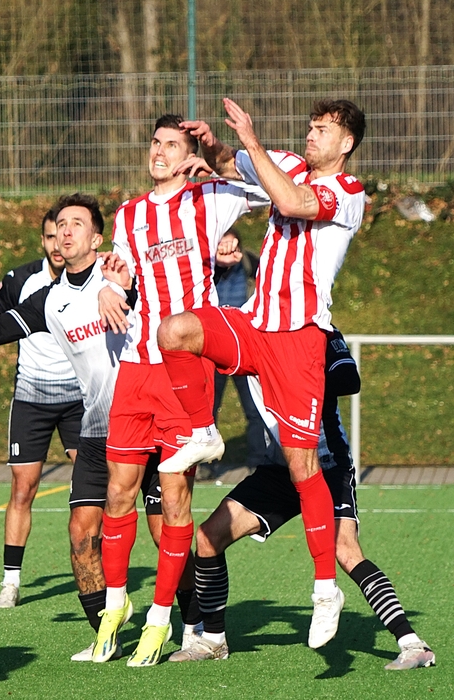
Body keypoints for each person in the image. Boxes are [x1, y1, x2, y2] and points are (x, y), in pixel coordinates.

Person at [156, 98, 367, 649]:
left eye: (323, 130)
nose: (311, 135)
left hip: (299, 340)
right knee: (175, 331)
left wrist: (251, 140)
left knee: (301, 464)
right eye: (310, 127)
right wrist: (214, 147)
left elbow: (294, 202)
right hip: (255, 323)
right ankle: (204, 431)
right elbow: (232, 165)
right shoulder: (288, 164)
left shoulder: (348, 192)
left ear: (346, 143)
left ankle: (325, 590)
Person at [95, 114, 268, 666]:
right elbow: (120, 274)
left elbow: (272, 191)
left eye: (171, 144)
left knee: (174, 499)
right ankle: (115, 609)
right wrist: (107, 288)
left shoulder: (209, 198)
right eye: (156, 142)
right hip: (134, 367)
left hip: (181, 371)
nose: (160, 151)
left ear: (186, 153)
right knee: (118, 493)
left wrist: (217, 158)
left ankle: (160, 618)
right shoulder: (129, 214)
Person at [0, 193, 169, 662]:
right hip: (97, 429)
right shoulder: (50, 298)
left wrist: (122, 289)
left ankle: (200, 627)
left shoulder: (121, 274)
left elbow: (158, 302)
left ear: (97, 239)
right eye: (60, 223)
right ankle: (105, 633)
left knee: (164, 531)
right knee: (81, 534)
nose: (65, 230)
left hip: (147, 421)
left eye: (77, 223)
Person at [173, 329, 436, 670]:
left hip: (326, 465)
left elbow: (349, 379)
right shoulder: (245, 330)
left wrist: (291, 370)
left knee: (346, 550)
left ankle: (412, 644)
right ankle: (213, 640)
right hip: (279, 469)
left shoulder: (317, 329)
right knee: (209, 537)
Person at [0, 208, 84, 608]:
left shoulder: (91, 282)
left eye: (64, 234)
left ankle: (95, 568)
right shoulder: (21, 280)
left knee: (92, 484)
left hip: (79, 399)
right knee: (23, 487)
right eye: (51, 236)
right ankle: (11, 581)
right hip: (32, 398)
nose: (58, 243)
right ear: (43, 241)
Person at [210, 229, 269, 469]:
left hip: (245, 345)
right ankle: (206, 464)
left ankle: (258, 463)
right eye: (221, 245)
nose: (227, 250)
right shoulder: (207, 268)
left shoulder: (251, 264)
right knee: (208, 410)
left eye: (231, 245)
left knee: (255, 408)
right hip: (213, 347)